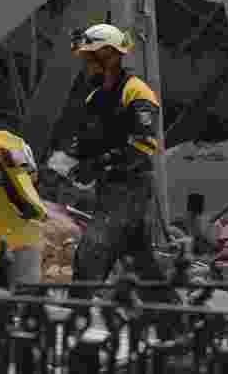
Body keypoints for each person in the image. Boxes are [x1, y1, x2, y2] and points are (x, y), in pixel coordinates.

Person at [57, 23, 180, 310]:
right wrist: (59, 166)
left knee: (92, 250)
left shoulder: (137, 92)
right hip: (110, 188)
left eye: (90, 57)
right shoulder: (96, 96)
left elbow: (143, 145)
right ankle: (174, 319)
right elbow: (84, 141)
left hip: (130, 188)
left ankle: (74, 319)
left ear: (110, 55)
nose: (86, 64)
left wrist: (101, 163)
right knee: (139, 262)